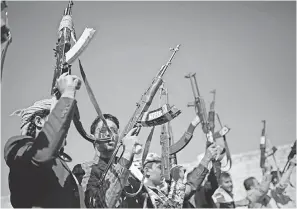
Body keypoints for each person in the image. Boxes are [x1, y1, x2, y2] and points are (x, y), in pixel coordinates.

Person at [4, 73, 83, 208]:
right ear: (39, 121)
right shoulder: (16, 146)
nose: (65, 128)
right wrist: (68, 93)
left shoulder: (62, 167)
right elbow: (41, 154)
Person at [82, 113, 141, 208]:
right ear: (92, 137)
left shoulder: (132, 173)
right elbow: (98, 206)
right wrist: (127, 153)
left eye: (114, 130)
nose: (109, 133)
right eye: (103, 130)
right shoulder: (83, 170)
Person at [140, 143, 219, 208]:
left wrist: (206, 159)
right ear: (146, 171)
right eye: (160, 167)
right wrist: (178, 180)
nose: (163, 172)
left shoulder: (164, 191)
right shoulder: (144, 195)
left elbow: (190, 186)